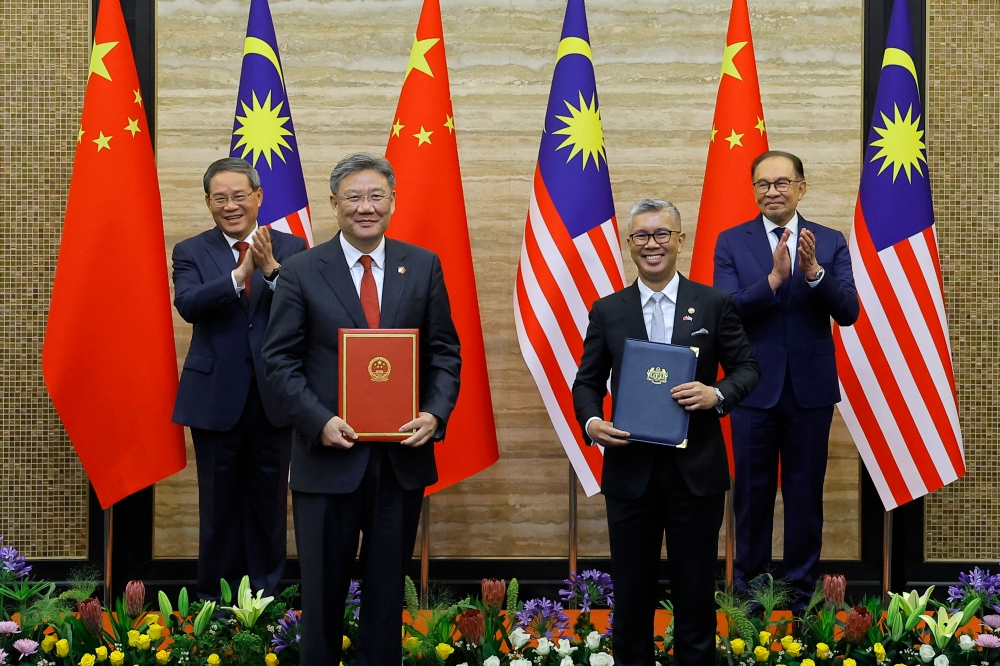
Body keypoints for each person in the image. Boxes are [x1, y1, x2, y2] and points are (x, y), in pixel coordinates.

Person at [262, 153, 461, 666]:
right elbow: (279, 360)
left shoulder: (422, 265)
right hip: (327, 459)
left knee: (385, 592)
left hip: (399, 461)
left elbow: (445, 354)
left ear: (393, 201)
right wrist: (318, 420)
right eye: (353, 197)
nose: (365, 207)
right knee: (322, 595)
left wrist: (435, 414)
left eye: (376, 196)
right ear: (334, 204)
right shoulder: (302, 269)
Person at [573, 199, 760, 666]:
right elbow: (588, 383)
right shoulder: (608, 310)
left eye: (661, 234)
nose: (651, 244)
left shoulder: (714, 304)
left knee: (695, 592)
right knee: (632, 593)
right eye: (640, 236)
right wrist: (594, 424)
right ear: (629, 245)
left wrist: (716, 394)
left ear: (680, 240)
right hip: (630, 474)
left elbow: (747, 369)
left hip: (694, 475)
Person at [713, 150, 859, 609]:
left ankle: (801, 594)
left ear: (801, 188)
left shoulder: (831, 242)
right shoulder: (732, 242)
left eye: (781, 183)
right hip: (751, 387)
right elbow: (725, 310)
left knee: (804, 494)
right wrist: (774, 279)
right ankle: (750, 595)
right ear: (753, 190)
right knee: (751, 497)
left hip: (810, 390)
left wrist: (814, 275)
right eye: (762, 184)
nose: (772, 191)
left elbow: (849, 312)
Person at [171, 157, 307, 600]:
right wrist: (238, 275)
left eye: (239, 196)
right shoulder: (191, 250)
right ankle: (214, 606)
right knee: (218, 507)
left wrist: (269, 272)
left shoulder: (292, 249)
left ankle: (265, 607)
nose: (231, 206)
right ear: (208, 202)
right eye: (220, 198)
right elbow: (189, 304)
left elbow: (309, 312)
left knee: (269, 507)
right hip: (214, 398)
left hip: (274, 396)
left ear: (258, 197)